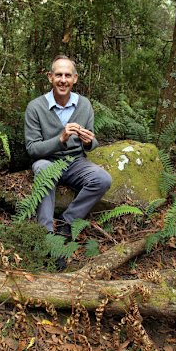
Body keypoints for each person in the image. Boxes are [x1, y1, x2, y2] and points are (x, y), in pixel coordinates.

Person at [24, 55, 112, 238]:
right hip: (46, 161)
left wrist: (89, 142)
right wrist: (60, 139)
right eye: (58, 75)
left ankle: (67, 223)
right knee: (44, 171)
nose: (63, 80)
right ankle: (45, 235)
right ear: (50, 77)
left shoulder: (85, 105)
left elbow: (92, 139)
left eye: (67, 75)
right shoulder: (35, 107)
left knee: (103, 179)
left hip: (75, 163)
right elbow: (32, 149)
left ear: (75, 78)